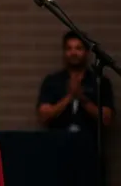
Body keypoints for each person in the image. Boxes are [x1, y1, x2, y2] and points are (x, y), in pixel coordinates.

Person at [36, 31, 115, 186]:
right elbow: (44, 116)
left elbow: (107, 118)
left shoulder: (99, 82)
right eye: (69, 48)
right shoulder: (53, 81)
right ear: (64, 52)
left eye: (78, 48)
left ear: (86, 52)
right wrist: (70, 97)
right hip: (58, 149)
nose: (74, 52)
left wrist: (82, 98)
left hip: (91, 150)